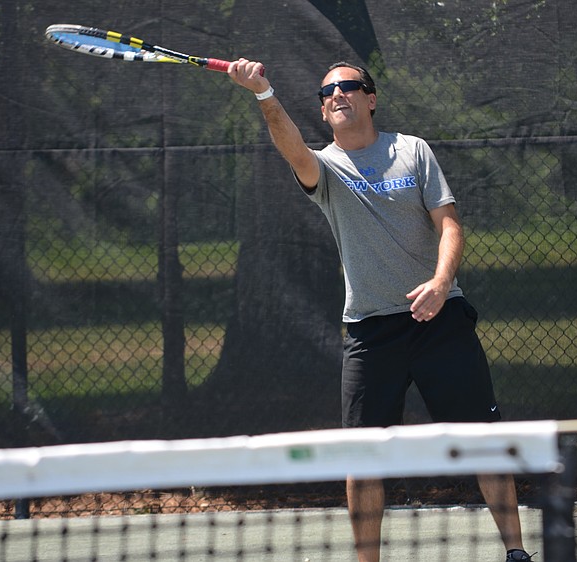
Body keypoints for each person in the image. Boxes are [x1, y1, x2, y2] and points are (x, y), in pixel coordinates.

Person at [228, 58, 535, 562]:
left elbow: (450, 224)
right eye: (327, 92)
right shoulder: (323, 167)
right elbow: (289, 146)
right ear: (324, 111)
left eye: (349, 86)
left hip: (441, 322)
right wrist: (263, 93)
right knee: (363, 458)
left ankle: (517, 554)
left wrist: (441, 282)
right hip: (371, 335)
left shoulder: (413, 151)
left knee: (485, 441)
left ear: (371, 99)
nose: (337, 94)